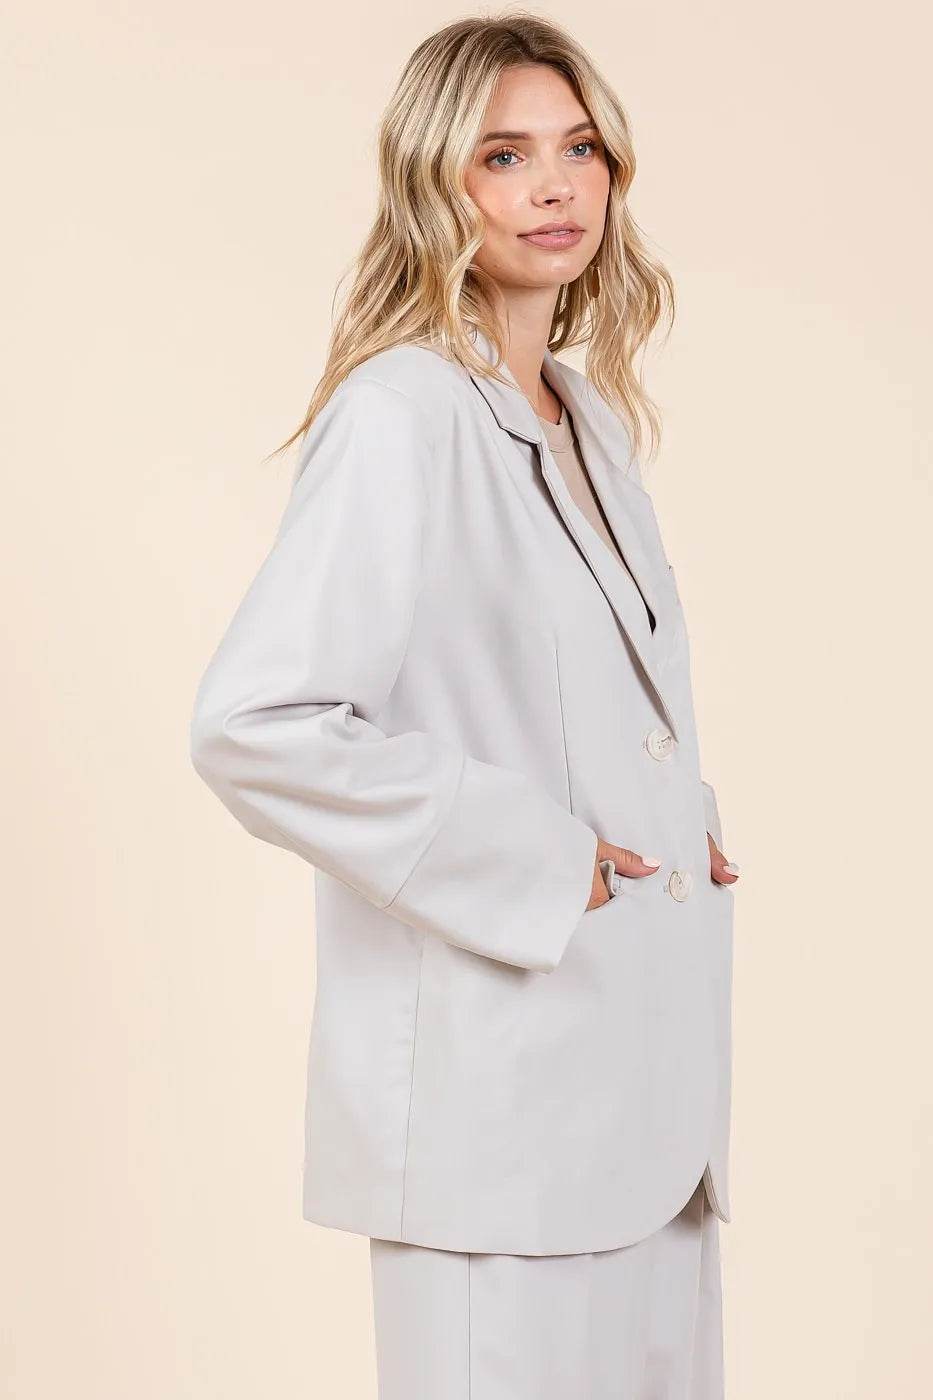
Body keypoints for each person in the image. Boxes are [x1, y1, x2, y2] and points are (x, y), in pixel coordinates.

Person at [189, 12, 739, 1398]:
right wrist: (545, 859)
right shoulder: (403, 412)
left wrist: (673, 817)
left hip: (648, 1097)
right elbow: (258, 724)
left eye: (578, 149)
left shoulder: (588, 420)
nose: (554, 187)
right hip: (501, 1114)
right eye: (504, 155)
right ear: (435, 181)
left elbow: (560, 691)